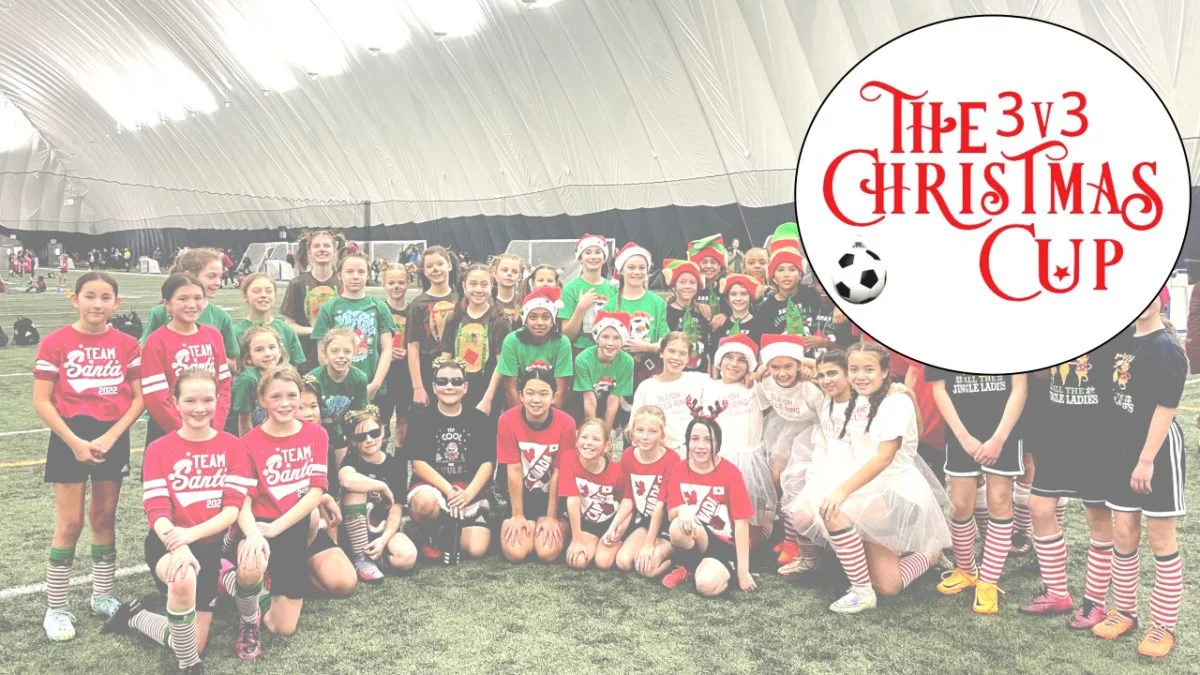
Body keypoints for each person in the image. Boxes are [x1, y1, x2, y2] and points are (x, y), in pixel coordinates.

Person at [102, 369, 250, 673]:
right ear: (175, 402)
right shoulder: (158, 449)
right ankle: (189, 665)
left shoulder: (232, 445)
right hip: (164, 543)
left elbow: (232, 511)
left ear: (217, 400)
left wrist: (189, 537)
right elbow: (156, 509)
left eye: (207, 399)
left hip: (207, 546)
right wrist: (177, 544)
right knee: (183, 575)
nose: (199, 408)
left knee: (192, 638)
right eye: (190, 400)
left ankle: (135, 616)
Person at [786, 343, 951, 613]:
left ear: (885, 372)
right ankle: (919, 557)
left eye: (869, 369)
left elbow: (883, 458)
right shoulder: (859, 398)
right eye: (854, 369)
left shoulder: (895, 401)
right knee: (888, 585)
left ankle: (863, 591)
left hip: (895, 491)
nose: (860, 376)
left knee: (833, 509)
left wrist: (841, 491)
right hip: (869, 485)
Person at [34, 272, 144, 641]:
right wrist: (75, 442)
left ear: (117, 303)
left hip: (113, 435)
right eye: (90, 296)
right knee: (69, 523)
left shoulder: (128, 344)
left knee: (104, 517)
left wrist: (113, 436)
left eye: (105, 297)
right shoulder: (56, 342)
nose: (97, 304)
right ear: (75, 299)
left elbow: (138, 397)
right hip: (69, 434)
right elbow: (41, 400)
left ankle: (102, 595)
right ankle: (57, 607)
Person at [1092, 289, 1187, 658]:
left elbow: (1166, 407)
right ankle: (1125, 612)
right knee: (1124, 530)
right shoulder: (1123, 341)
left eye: (1152, 296)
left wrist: (1147, 459)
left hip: (1156, 451)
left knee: (1160, 538)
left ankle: (1163, 626)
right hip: (1122, 450)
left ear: (1161, 301)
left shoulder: (1166, 347)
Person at [240, 367, 356, 638]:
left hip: (296, 526)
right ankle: (263, 590)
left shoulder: (316, 434)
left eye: (292, 396)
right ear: (262, 399)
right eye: (276, 396)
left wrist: (279, 526)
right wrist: (255, 533)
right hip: (264, 528)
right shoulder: (247, 443)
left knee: (344, 584)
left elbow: (316, 491)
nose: (285, 403)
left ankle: (290, 578)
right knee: (283, 628)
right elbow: (241, 500)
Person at [927, 363, 1028, 614]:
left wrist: (999, 438)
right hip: (962, 432)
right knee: (960, 505)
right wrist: (962, 436)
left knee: (999, 499)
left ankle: (989, 581)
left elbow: (1020, 387)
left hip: (1002, 432)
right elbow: (939, 389)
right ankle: (967, 570)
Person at [407, 357, 495, 562]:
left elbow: (488, 464)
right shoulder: (420, 418)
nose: (449, 387)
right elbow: (418, 464)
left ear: (465, 387)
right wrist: (448, 490)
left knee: (476, 549)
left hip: (468, 489)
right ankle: (429, 532)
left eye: (456, 382)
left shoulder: (480, 419)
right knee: (424, 504)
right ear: (434, 387)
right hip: (434, 487)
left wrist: (467, 494)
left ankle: (448, 531)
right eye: (442, 381)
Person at [660, 416, 757, 596]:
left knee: (706, 586)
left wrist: (744, 572)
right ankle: (687, 567)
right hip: (698, 536)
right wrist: (683, 509)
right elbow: (671, 512)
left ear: (717, 444)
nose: (700, 446)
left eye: (708, 440)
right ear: (687, 442)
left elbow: (742, 523)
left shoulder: (731, 473)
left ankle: (724, 569)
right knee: (676, 528)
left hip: (723, 544)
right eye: (694, 439)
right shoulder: (679, 469)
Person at [755, 334, 825, 574]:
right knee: (777, 477)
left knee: (796, 483)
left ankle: (798, 542)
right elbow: (765, 406)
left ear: (799, 364)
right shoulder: (764, 381)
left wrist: (812, 370)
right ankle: (788, 535)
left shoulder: (809, 387)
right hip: (783, 428)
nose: (782, 373)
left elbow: (824, 418)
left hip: (812, 432)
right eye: (775, 367)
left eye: (788, 366)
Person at [140, 274, 232, 447]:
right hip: (168, 431)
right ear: (167, 304)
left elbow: (224, 384)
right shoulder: (156, 341)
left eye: (198, 298)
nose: (192, 305)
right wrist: (183, 431)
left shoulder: (213, 335)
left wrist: (215, 427)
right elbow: (156, 397)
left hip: (209, 427)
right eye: (182, 298)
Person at [699, 335, 774, 545]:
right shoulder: (708, 387)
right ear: (719, 361)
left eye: (742, 360)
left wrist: (759, 373)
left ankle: (766, 525)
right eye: (729, 357)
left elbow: (775, 373)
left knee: (750, 536)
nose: (734, 364)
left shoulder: (756, 388)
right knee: (718, 523)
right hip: (718, 458)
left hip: (748, 460)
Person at [496, 366, 575, 563]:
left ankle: (556, 523)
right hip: (519, 495)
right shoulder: (507, 420)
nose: (536, 399)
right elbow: (513, 469)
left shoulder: (566, 423)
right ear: (521, 395)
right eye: (530, 393)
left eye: (543, 393)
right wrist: (517, 515)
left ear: (554, 396)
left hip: (551, 496)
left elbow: (559, 472)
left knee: (546, 553)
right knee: (516, 553)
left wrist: (551, 516)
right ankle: (525, 523)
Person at [338, 407, 417, 582]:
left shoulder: (395, 465)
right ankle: (361, 558)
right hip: (354, 528)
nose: (368, 440)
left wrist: (383, 540)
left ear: (383, 431)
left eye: (374, 433)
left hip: (381, 526)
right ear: (353, 441)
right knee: (355, 493)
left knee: (407, 557)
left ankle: (376, 557)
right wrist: (381, 486)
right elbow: (346, 480)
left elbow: (396, 510)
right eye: (360, 437)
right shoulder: (352, 459)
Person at [311, 252, 396, 402]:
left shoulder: (380, 307)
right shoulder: (328, 308)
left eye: (361, 272)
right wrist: (339, 382)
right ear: (339, 275)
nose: (355, 276)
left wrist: (375, 384)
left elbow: (387, 349)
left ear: (368, 275)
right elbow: (322, 353)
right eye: (349, 272)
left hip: (372, 385)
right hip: (339, 388)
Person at [140, 249, 239, 369]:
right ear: (189, 275)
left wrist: (205, 355)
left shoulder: (221, 317)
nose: (218, 282)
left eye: (220, 277)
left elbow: (234, 365)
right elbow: (143, 354)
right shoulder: (160, 313)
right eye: (212, 276)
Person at [612, 406, 679, 578]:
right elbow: (628, 498)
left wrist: (649, 544)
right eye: (640, 430)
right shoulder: (628, 455)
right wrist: (612, 527)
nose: (645, 437)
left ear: (662, 435)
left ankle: (678, 560)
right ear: (632, 432)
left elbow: (660, 505)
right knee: (623, 561)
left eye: (652, 431)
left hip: (666, 524)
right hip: (644, 520)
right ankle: (654, 549)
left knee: (646, 569)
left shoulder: (671, 458)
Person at [441, 263, 510, 416]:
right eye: (473, 284)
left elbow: (501, 364)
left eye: (484, 284)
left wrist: (488, 398)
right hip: (458, 391)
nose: (478, 289)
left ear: (492, 286)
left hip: (487, 393)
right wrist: (445, 388)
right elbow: (446, 356)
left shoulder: (499, 320)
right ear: (464, 286)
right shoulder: (454, 317)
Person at [628, 332, 711, 457]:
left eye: (682, 353)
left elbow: (729, 383)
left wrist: (750, 375)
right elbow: (634, 428)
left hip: (691, 455)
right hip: (657, 454)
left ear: (688, 358)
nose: (676, 357)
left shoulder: (701, 381)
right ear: (661, 353)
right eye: (671, 351)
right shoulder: (646, 387)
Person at [310, 328, 369, 498]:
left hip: (342, 431)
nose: (341, 356)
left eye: (347, 351)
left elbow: (360, 414)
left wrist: (356, 440)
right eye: (334, 351)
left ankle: (344, 491)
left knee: (344, 443)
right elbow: (306, 414)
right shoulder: (313, 379)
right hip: (318, 429)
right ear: (325, 353)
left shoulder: (359, 378)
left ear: (355, 353)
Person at [561, 418, 625, 570]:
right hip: (587, 522)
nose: (588, 443)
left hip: (610, 522)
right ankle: (592, 542)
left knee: (603, 563)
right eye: (584, 437)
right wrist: (576, 539)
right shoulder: (568, 459)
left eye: (596, 439)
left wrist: (618, 529)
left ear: (607, 446)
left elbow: (626, 502)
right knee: (577, 561)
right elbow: (572, 500)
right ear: (576, 440)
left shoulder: (617, 469)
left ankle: (618, 544)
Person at [603, 242, 667, 390]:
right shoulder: (610, 306)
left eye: (642, 268)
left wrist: (646, 347)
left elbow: (665, 341)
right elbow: (602, 343)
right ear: (621, 271)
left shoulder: (657, 303)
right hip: (617, 372)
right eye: (631, 267)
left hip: (649, 371)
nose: (637, 272)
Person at [497, 287, 573, 408]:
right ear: (525, 321)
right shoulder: (512, 340)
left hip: (550, 404)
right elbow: (511, 388)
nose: (539, 323)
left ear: (553, 321)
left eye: (545, 317)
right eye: (533, 317)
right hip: (521, 402)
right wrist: (522, 418)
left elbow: (560, 391)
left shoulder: (562, 342)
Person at [282, 230, 344, 372]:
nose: (322, 249)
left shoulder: (343, 282)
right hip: (306, 358)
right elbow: (289, 326)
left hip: (338, 357)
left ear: (334, 251)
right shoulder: (297, 284)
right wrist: (316, 330)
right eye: (316, 246)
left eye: (327, 246)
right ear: (309, 252)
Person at [406, 246, 460, 407]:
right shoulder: (417, 305)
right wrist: (418, 387)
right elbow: (413, 347)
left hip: (458, 371)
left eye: (440, 264)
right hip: (428, 372)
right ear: (424, 271)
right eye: (430, 266)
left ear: (449, 265)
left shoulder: (463, 299)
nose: (435, 269)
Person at [572, 311, 635, 432]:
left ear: (623, 341)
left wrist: (605, 432)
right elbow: (588, 399)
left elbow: (613, 399)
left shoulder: (627, 361)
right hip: (583, 402)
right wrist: (594, 431)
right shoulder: (583, 359)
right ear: (597, 338)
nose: (610, 343)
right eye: (605, 337)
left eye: (617, 338)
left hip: (606, 401)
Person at [233, 273, 306, 370]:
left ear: (275, 296)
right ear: (245, 296)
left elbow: (295, 367)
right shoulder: (236, 332)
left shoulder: (287, 330)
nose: (263, 295)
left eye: (269, 291)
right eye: (256, 291)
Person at [560, 234, 617, 355]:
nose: (593, 256)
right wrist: (581, 308)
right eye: (588, 252)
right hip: (580, 351)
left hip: (608, 352)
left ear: (604, 257)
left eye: (598, 252)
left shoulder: (613, 288)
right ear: (580, 258)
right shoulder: (570, 289)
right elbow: (567, 335)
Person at [378, 264, 413, 450]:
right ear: (383, 284)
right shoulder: (378, 309)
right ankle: (379, 460)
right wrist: (385, 353)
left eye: (401, 282)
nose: (396, 286)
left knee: (403, 421)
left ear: (408, 284)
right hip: (383, 374)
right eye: (391, 282)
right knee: (380, 422)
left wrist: (408, 352)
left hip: (405, 375)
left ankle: (399, 464)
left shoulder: (412, 310)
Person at [231, 325, 289, 435]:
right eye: (259, 350)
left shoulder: (287, 374)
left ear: (280, 351)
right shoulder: (247, 380)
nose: (268, 354)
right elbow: (244, 422)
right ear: (248, 358)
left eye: (272, 347)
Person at [661, 259, 714, 373]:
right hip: (674, 372)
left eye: (692, 283)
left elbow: (707, 350)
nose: (687, 286)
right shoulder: (666, 312)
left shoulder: (702, 312)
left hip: (700, 372)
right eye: (682, 282)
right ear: (674, 285)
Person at [689, 235, 730, 330]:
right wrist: (694, 304)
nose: (708, 266)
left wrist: (725, 314)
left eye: (713, 262)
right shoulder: (691, 285)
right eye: (704, 262)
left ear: (720, 266)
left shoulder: (728, 285)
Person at [490, 253, 524, 326]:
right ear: (495, 273)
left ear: (519, 277)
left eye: (514, 272)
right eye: (505, 270)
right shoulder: (487, 301)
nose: (509, 274)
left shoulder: (523, 301)